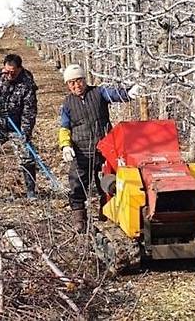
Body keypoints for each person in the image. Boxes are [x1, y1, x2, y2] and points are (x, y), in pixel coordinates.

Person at [58, 63, 141, 232]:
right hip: (81, 150)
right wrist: (65, 146)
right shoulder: (67, 104)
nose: (76, 86)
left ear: (84, 80)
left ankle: (108, 214)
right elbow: (64, 127)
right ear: (67, 85)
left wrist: (129, 94)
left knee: (109, 183)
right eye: (71, 83)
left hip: (105, 148)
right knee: (77, 184)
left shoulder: (98, 92)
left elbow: (114, 95)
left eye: (79, 81)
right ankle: (79, 220)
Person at [0, 54, 38, 198]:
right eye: (7, 71)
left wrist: (25, 132)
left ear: (20, 69)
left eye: (13, 72)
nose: (10, 75)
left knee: (27, 157)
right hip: (1, 124)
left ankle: (30, 190)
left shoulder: (27, 84)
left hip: (18, 126)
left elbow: (29, 111)